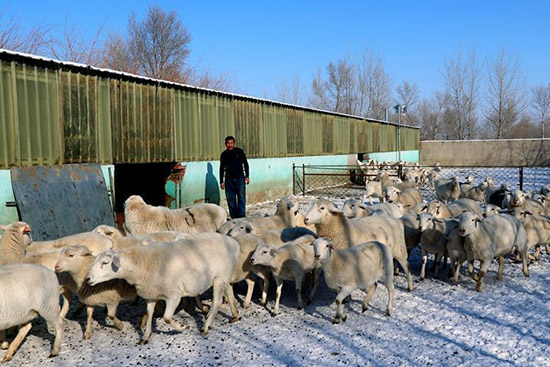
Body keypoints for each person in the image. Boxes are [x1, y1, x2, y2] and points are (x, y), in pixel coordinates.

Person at [219, 136, 249, 218]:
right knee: (231, 200)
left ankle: (241, 216)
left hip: (240, 178)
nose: (230, 145)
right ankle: (234, 217)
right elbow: (221, 168)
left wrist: (247, 176)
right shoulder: (224, 155)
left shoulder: (239, 152)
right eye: (228, 143)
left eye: (231, 143)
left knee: (241, 198)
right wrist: (221, 181)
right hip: (229, 180)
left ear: (234, 143)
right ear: (225, 144)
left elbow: (245, 164)